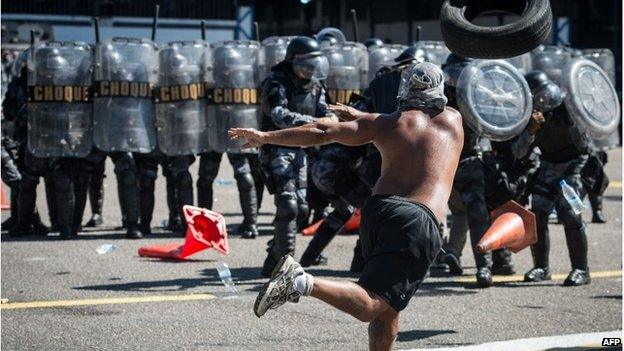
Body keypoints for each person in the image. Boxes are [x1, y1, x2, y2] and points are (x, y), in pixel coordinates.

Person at [230, 62, 462, 350]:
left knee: (387, 312)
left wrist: (265, 137)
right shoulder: (454, 119)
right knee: (370, 303)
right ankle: (300, 281)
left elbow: (320, 131)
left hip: (378, 211)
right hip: (416, 220)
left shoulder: (385, 123)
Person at [257, 36, 336, 277]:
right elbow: (278, 114)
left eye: (315, 63)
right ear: (293, 61)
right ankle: (285, 266)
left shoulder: (316, 86)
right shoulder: (276, 82)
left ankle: (273, 258)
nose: (311, 69)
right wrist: (314, 122)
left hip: (301, 151)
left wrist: (334, 120)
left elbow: (326, 112)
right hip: (276, 148)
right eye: (306, 63)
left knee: (301, 209)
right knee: (288, 205)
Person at [441, 53, 515, 287]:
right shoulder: (439, 97)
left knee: (477, 214)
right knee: (442, 213)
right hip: (444, 161)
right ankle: (447, 254)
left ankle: (483, 266)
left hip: (470, 161)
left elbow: (496, 125)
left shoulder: (477, 95)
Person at [516, 70, 591, 286]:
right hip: (549, 165)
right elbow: (520, 153)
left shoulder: (568, 106)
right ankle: (541, 267)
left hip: (576, 163)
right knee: (538, 214)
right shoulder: (529, 118)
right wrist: (530, 130)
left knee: (570, 213)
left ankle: (581, 269)